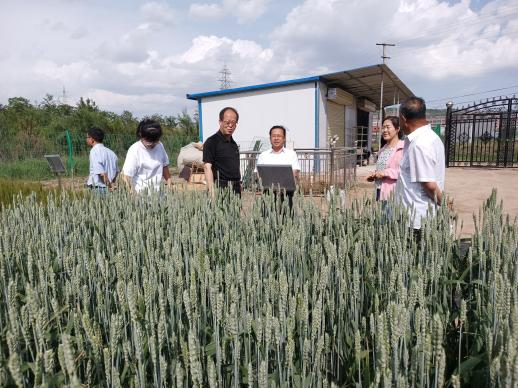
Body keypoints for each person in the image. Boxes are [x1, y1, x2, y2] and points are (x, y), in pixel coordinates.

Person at [395, 96, 445, 233]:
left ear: (403, 118)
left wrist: (444, 204)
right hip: (417, 217)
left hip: (416, 222)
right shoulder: (432, 138)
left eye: (399, 119)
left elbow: (429, 185)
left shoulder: (419, 144)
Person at [255, 125, 300, 210]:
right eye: (273, 136)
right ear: (270, 138)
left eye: (279, 136)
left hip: (287, 194)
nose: (276, 138)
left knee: (287, 219)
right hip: (268, 193)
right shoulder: (263, 155)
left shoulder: (291, 154)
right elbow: (259, 174)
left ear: (284, 138)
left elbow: (295, 173)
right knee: (267, 219)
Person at [122, 119, 172, 193]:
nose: (152, 144)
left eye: (155, 141)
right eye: (148, 142)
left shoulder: (160, 146)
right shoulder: (135, 150)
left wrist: (169, 184)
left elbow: (164, 166)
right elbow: (125, 176)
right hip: (141, 195)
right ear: (141, 135)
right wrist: (131, 194)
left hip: (158, 194)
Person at [203, 107, 241, 196]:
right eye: (227, 122)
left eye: (233, 123)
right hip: (220, 189)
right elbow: (207, 167)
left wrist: (239, 186)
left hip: (235, 188)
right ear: (220, 122)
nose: (230, 125)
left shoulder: (233, 144)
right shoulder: (212, 142)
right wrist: (212, 192)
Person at [366, 116, 404, 201]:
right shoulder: (383, 149)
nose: (385, 130)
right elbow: (382, 169)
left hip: (393, 193)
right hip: (379, 190)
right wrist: (375, 175)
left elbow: (405, 172)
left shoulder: (403, 148)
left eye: (388, 127)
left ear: (397, 129)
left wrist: (385, 173)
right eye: (383, 127)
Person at [86, 127, 119, 192]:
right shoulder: (111, 152)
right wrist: (112, 184)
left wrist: (109, 185)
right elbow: (117, 172)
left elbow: (101, 173)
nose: (86, 140)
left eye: (87, 137)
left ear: (92, 139)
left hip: (98, 188)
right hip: (111, 188)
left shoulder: (94, 151)